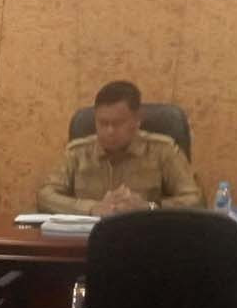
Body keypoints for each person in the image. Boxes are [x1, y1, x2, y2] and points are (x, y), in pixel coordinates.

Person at [37, 80, 202, 216]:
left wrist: (149, 207)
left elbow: (195, 200)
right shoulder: (77, 152)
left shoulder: (162, 150)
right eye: (103, 123)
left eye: (118, 123)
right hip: (88, 239)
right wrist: (91, 208)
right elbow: (45, 196)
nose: (109, 131)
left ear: (137, 120)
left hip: (145, 237)